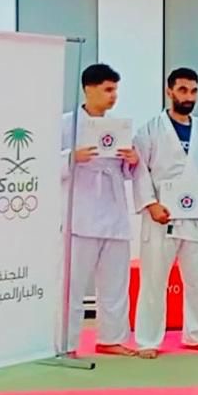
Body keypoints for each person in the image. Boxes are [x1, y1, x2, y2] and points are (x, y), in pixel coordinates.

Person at [131, 67, 198, 358]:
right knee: (154, 280)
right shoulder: (150, 129)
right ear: (169, 91)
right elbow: (140, 169)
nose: (188, 96)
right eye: (182, 90)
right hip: (162, 215)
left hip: (196, 217)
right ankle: (148, 340)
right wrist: (150, 204)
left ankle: (197, 334)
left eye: (193, 91)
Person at [63, 63, 138, 357]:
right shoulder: (67, 124)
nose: (113, 96)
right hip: (80, 213)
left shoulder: (118, 127)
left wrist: (131, 160)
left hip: (114, 209)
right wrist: (72, 157)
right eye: (108, 89)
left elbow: (127, 172)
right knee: (72, 284)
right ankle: (66, 343)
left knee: (115, 283)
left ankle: (112, 338)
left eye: (115, 90)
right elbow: (43, 162)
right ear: (88, 89)